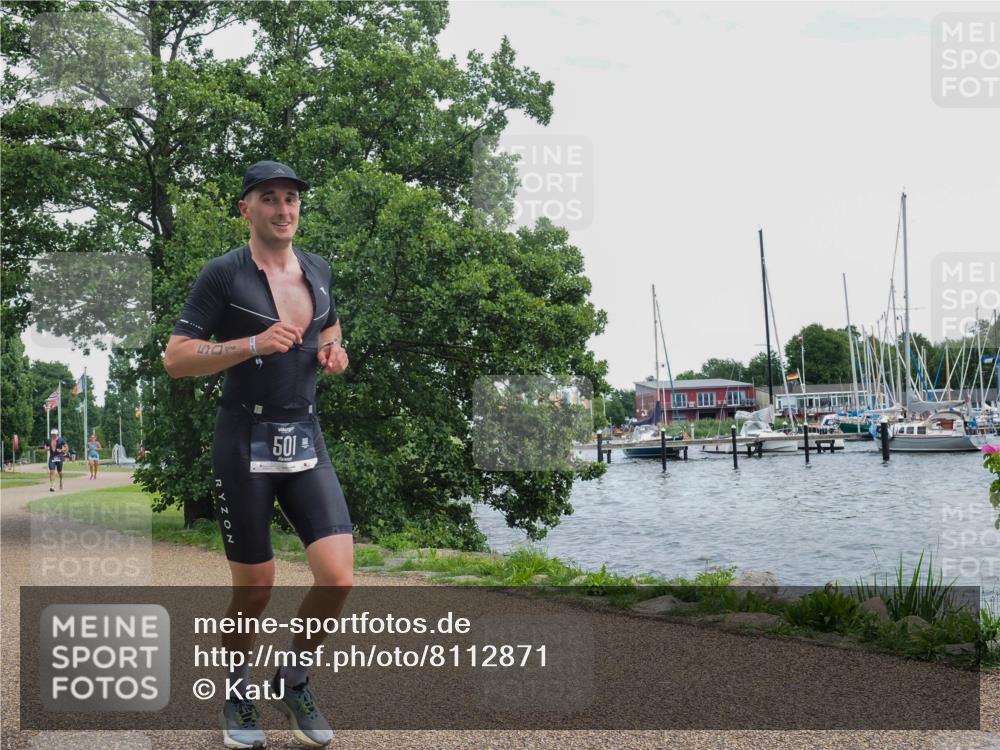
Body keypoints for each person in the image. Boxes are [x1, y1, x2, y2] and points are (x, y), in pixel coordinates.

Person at [164, 161, 351, 750]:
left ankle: (293, 676)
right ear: (246, 208)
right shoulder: (223, 275)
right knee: (256, 588)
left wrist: (334, 351)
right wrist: (250, 344)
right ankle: (237, 689)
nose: (284, 209)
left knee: (339, 578)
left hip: (305, 439)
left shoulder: (318, 269)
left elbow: (332, 328)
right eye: (269, 198)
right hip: (244, 442)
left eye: (292, 198)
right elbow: (176, 357)